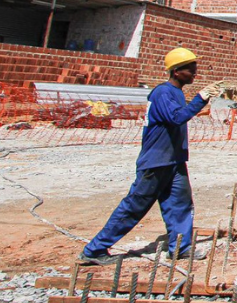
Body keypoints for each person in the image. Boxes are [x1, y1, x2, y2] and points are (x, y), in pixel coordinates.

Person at [79, 48, 223, 265]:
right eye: (191, 69)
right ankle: (95, 249)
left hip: (174, 160)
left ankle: (180, 248)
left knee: (180, 204)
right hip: (156, 161)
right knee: (134, 206)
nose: (195, 73)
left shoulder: (175, 93)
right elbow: (177, 118)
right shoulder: (162, 93)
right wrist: (201, 98)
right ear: (176, 71)